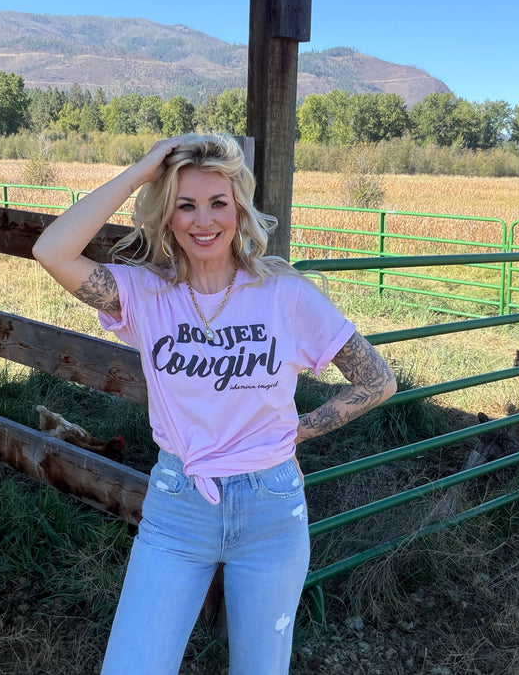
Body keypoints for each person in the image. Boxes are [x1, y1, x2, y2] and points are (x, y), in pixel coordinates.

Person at [32, 133, 397, 675]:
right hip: (179, 503)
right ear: (168, 217)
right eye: (186, 205)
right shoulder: (144, 295)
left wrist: (300, 431)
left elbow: (377, 380)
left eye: (218, 203)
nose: (204, 220)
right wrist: (142, 170)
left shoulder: (285, 294)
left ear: (239, 209)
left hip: (271, 506)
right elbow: (51, 250)